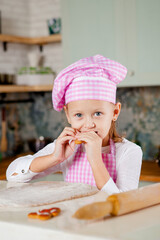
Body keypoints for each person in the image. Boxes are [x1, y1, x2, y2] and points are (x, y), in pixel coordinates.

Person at [6, 55, 142, 195]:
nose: (89, 124)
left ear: (115, 111)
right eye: (79, 115)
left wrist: (95, 160)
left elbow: (124, 202)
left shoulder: (129, 152)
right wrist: (54, 157)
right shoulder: (67, 148)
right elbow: (12, 175)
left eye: (98, 113)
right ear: (68, 115)